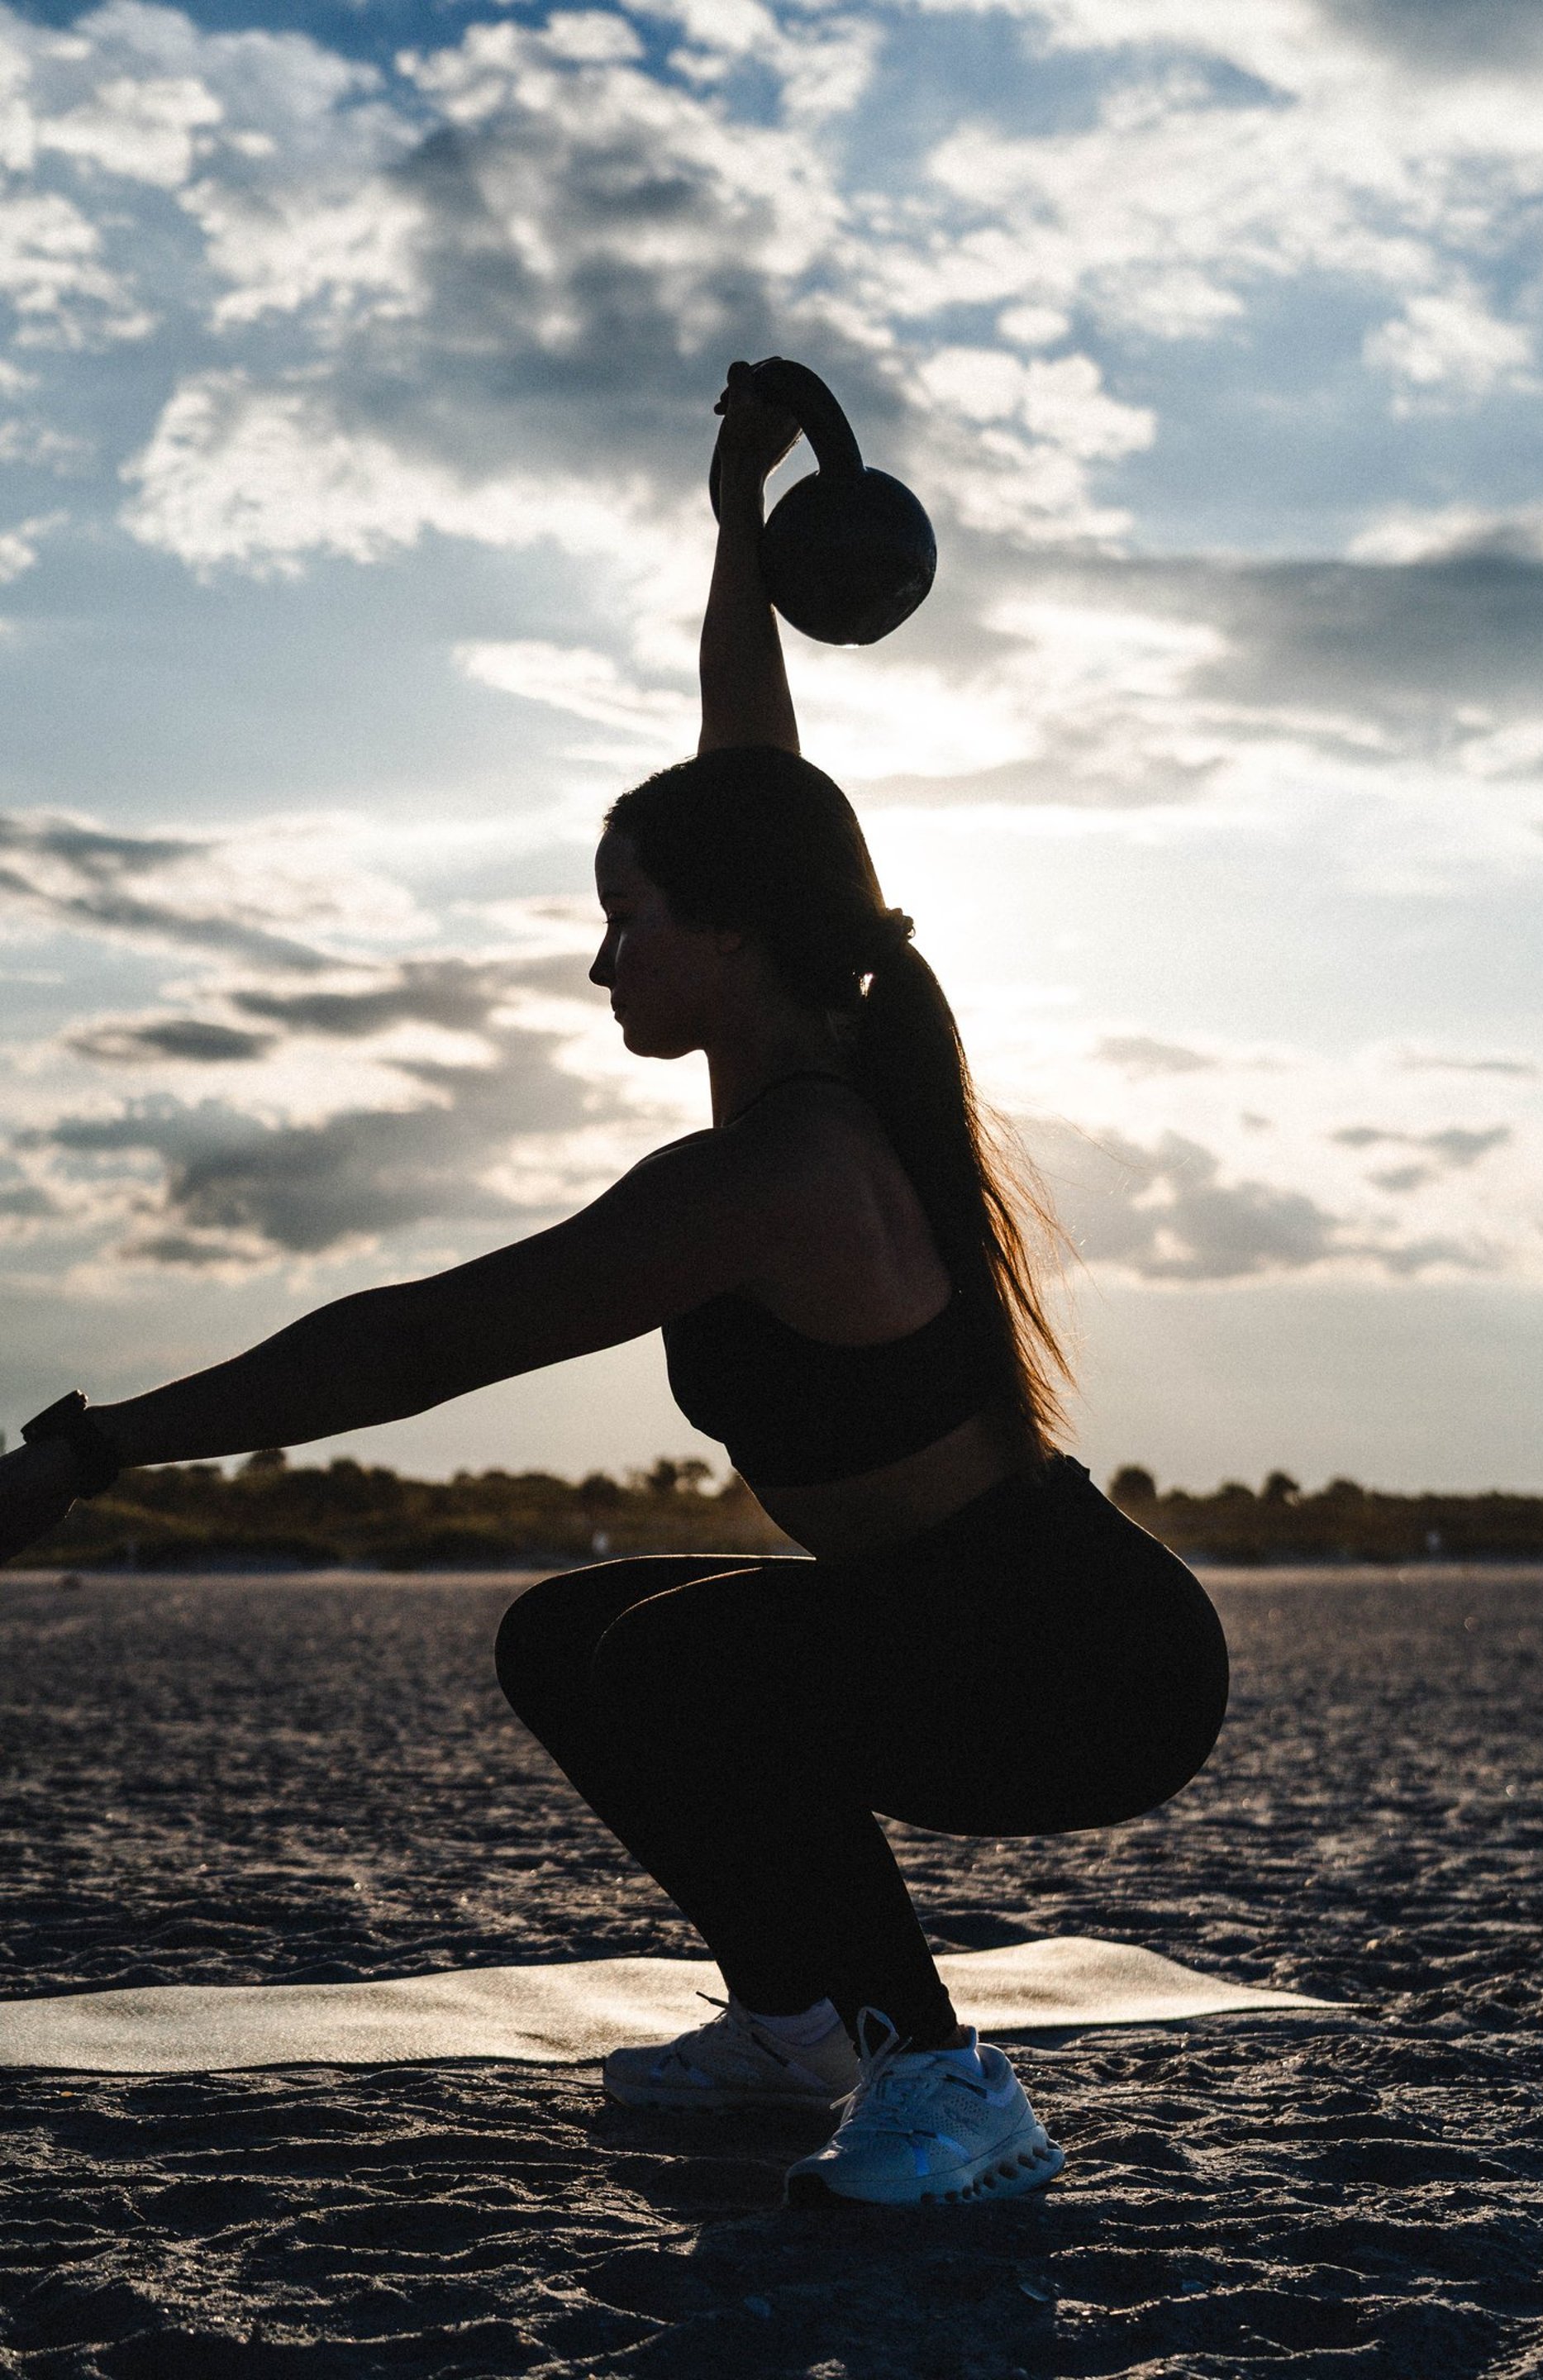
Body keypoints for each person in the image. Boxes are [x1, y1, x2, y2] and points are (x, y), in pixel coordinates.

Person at [0, 366, 1228, 2210]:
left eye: (627, 915)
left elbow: (414, 1345)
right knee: (567, 1638)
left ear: (730, 931)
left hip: (1080, 1662)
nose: (599, 963)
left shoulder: (773, 1173)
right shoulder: (796, 1069)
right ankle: (795, 2026)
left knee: (688, 1661)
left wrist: (94, 1449)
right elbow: (754, 772)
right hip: (978, 1622)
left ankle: (944, 2081)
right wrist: (736, 524)